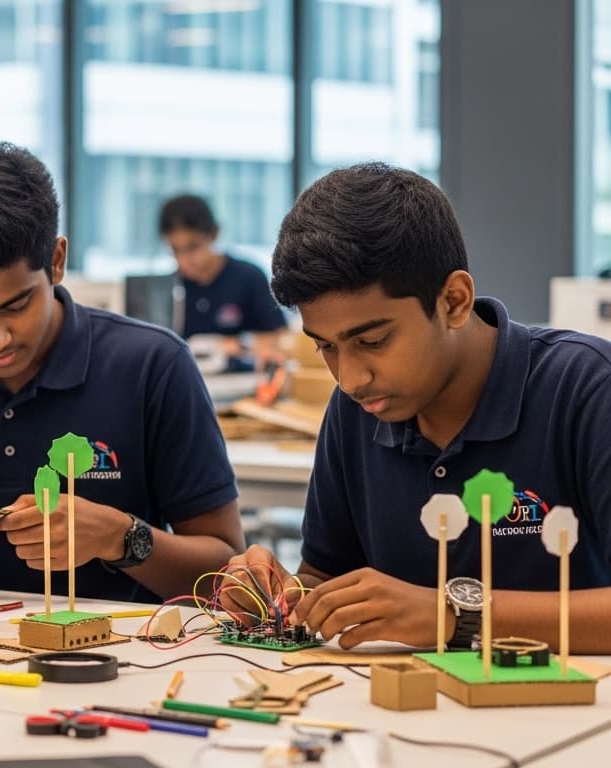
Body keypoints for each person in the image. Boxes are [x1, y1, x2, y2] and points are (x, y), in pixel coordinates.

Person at [223, 162, 611, 652]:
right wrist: (280, 594)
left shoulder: (588, 390)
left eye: (373, 339)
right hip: (397, 720)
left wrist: (453, 614)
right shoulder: (356, 409)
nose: (350, 378)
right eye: (326, 347)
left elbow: (435, 615)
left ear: (453, 300)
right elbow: (326, 577)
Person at [0, 142, 245, 603]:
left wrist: (120, 537)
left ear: (56, 261)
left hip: (125, 662)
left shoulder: (152, 365)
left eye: (15, 306)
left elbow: (226, 571)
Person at [160, 194, 287, 371]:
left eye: (193, 247)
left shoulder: (248, 277)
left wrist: (235, 344)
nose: (184, 260)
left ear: (214, 234)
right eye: (175, 250)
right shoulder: (169, 289)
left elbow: (281, 337)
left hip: (245, 382)